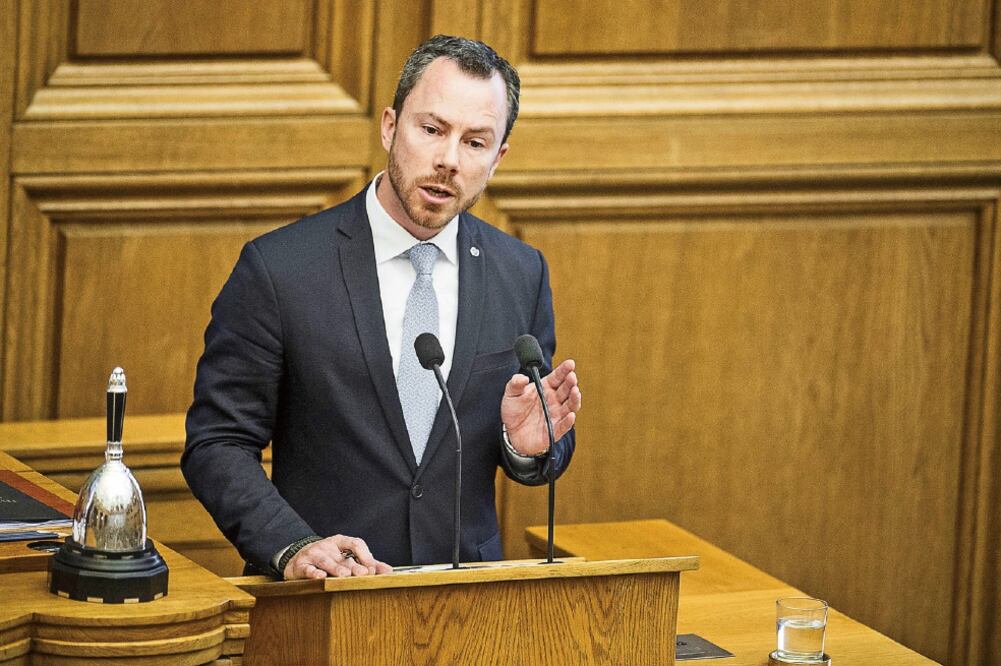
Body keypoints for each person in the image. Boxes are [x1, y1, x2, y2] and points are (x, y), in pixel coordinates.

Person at [182, 35, 581, 581]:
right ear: (391, 126)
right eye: (432, 130)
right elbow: (217, 443)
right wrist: (294, 545)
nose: (447, 160)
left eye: (474, 142)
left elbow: (543, 433)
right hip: (322, 603)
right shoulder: (279, 270)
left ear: (499, 156)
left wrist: (525, 447)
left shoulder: (521, 272)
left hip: (466, 602)